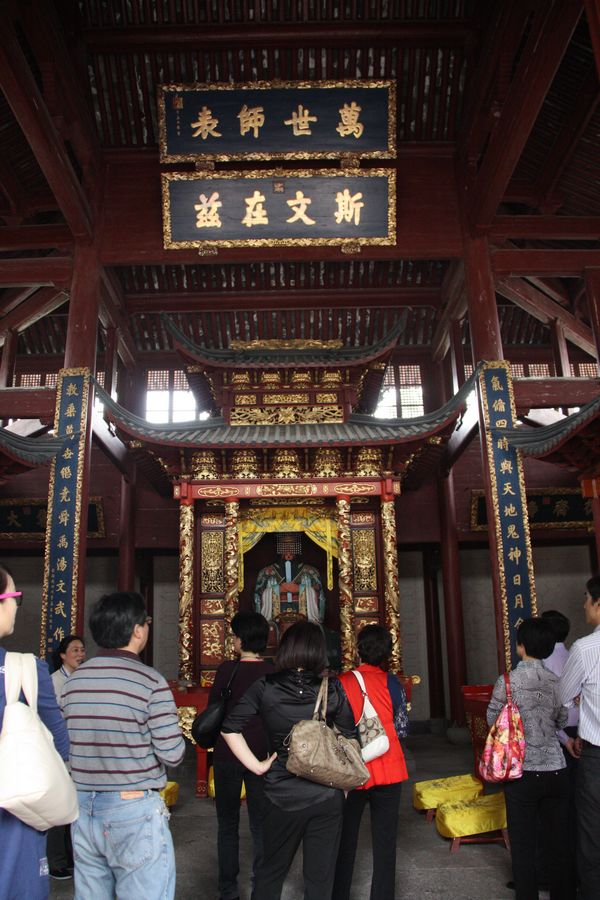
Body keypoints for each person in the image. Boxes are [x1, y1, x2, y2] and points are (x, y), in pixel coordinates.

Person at [61, 591, 185, 900]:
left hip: (82, 806)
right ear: (138, 630)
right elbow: (172, 753)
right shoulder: (150, 682)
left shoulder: (74, 682)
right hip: (133, 808)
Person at [221, 619, 355, 900]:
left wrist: (257, 766)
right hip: (326, 794)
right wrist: (342, 788)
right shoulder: (331, 688)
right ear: (318, 651)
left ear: (286, 650)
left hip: (280, 793)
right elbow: (350, 738)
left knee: (270, 874)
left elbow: (229, 727)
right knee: (320, 881)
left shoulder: (265, 686)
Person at [486, 617, 574, 900]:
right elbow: (562, 720)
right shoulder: (556, 681)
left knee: (523, 845)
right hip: (556, 769)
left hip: (521, 771)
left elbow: (492, 720)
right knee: (558, 842)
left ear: (520, 646)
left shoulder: (507, 682)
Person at [0, 563, 69, 900]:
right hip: (14, 813)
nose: (16, 605)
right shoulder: (25, 670)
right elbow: (60, 746)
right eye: (14, 596)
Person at [332, 625, 408, 900]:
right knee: (385, 841)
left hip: (353, 768)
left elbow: (333, 726)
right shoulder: (393, 683)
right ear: (387, 653)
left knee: (344, 838)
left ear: (358, 649)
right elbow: (402, 728)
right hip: (389, 766)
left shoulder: (342, 682)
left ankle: (339, 894)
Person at [209, 611, 273, 900]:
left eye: (234, 635)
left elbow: (214, 708)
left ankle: (228, 890)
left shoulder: (227, 670)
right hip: (261, 755)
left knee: (227, 824)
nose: (232, 640)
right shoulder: (272, 672)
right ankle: (262, 887)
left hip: (227, 754)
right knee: (261, 825)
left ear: (241, 639)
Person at [559, 575, 600, 900]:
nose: (584, 605)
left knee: (592, 835)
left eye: (587, 598)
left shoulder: (585, 648)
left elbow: (563, 697)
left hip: (595, 755)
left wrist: (580, 700)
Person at [46, 634, 86, 881]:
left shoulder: (84, 680)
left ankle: (72, 857)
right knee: (59, 808)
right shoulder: (54, 682)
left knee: (76, 809)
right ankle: (56, 862)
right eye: (75, 650)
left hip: (80, 752)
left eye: (82, 650)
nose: (80, 654)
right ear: (62, 655)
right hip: (60, 753)